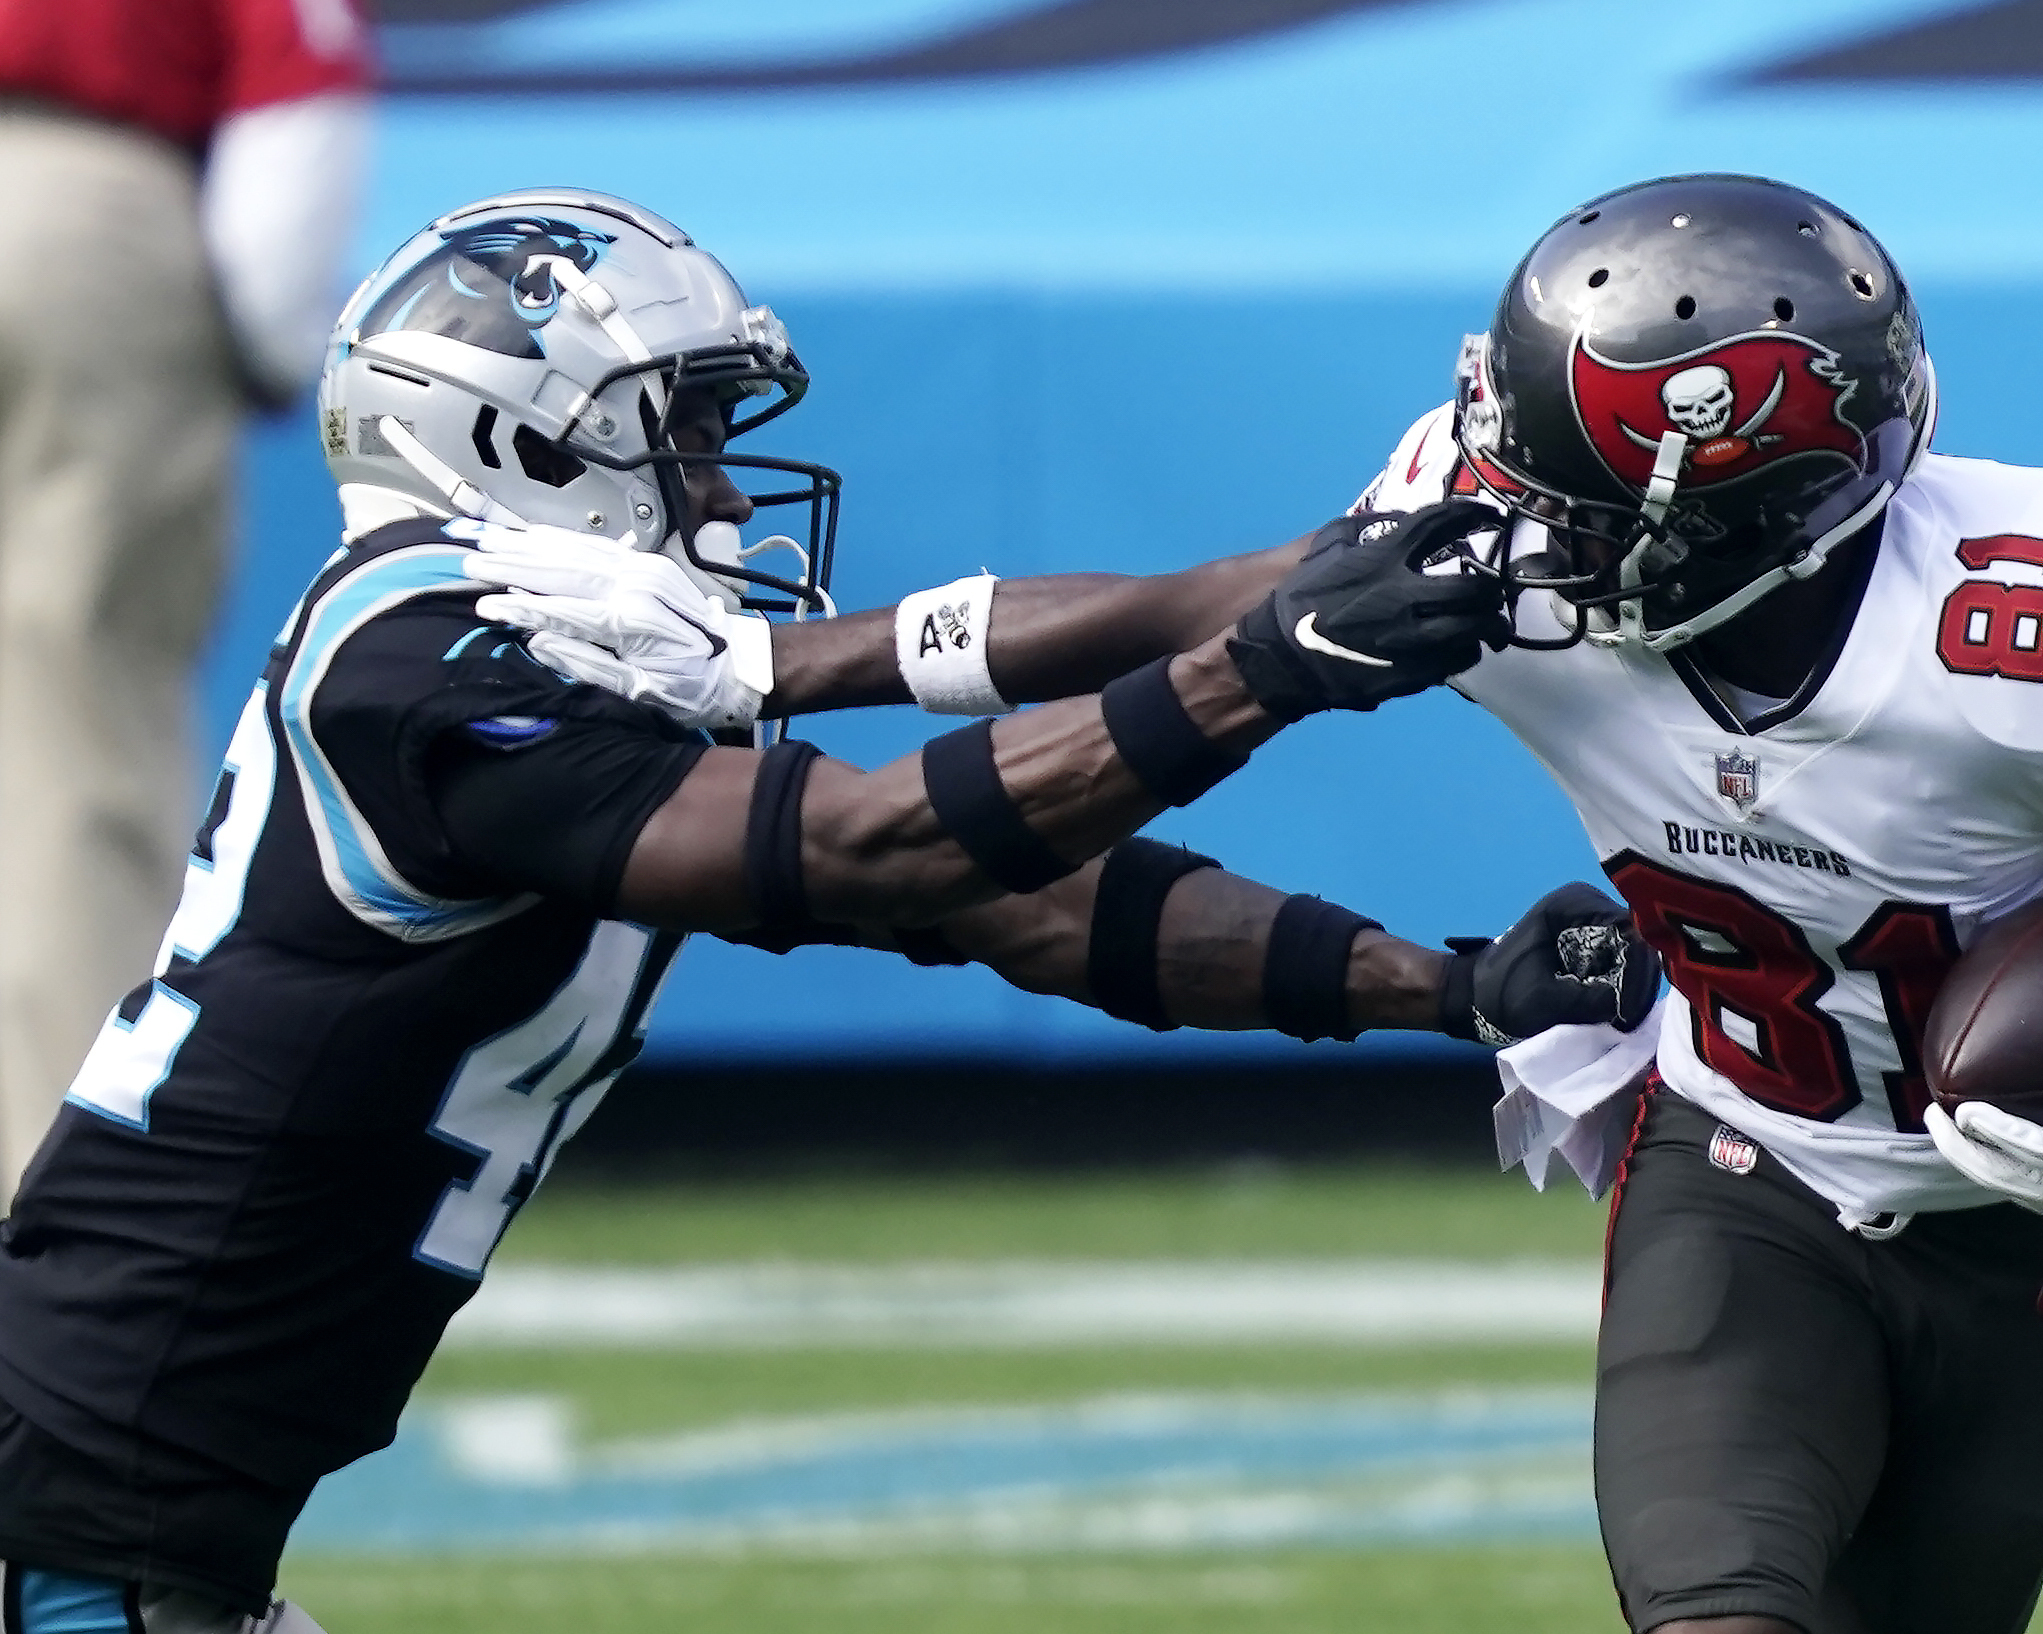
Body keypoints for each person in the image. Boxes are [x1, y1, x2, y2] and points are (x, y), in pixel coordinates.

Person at [483, 175, 2043, 1634]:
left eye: (1577, 493)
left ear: (1772, 506)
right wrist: (768, 666)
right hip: (1739, 1159)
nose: (1512, 519)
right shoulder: (1510, 544)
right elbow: (1182, 608)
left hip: (2013, 1223)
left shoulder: (2030, 635)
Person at [0, 189, 1675, 1634]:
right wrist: (1257, 677)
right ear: (519, 438)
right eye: (683, 427)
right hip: (78, 1508)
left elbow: (1034, 907)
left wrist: (1441, 982)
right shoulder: (433, 678)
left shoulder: (524, 644)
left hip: (121, 1494)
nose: (722, 484)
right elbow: (891, 851)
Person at [0, 0, 374, 1201]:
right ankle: (55, 1208)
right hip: (74, 212)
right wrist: (265, 338)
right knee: (69, 735)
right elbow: (294, 70)